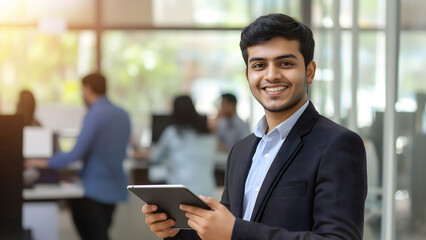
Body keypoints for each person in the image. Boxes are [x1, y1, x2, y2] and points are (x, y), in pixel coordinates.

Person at [142, 13, 367, 240]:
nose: (271, 75)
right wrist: (175, 232)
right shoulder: (241, 150)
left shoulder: (338, 145)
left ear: (309, 71)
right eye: (259, 65)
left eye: (285, 63)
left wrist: (234, 231)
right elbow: (222, 233)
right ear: (248, 74)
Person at [25, 73, 131, 240]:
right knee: (101, 234)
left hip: (92, 190)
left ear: (87, 89)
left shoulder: (95, 113)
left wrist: (38, 162)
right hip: (115, 189)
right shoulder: (123, 115)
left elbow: (76, 154)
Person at [149, 95, 217, 197]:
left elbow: (155, 158)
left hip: (182, 191)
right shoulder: (208, 134)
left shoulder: (172, 133)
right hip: (207, 192)